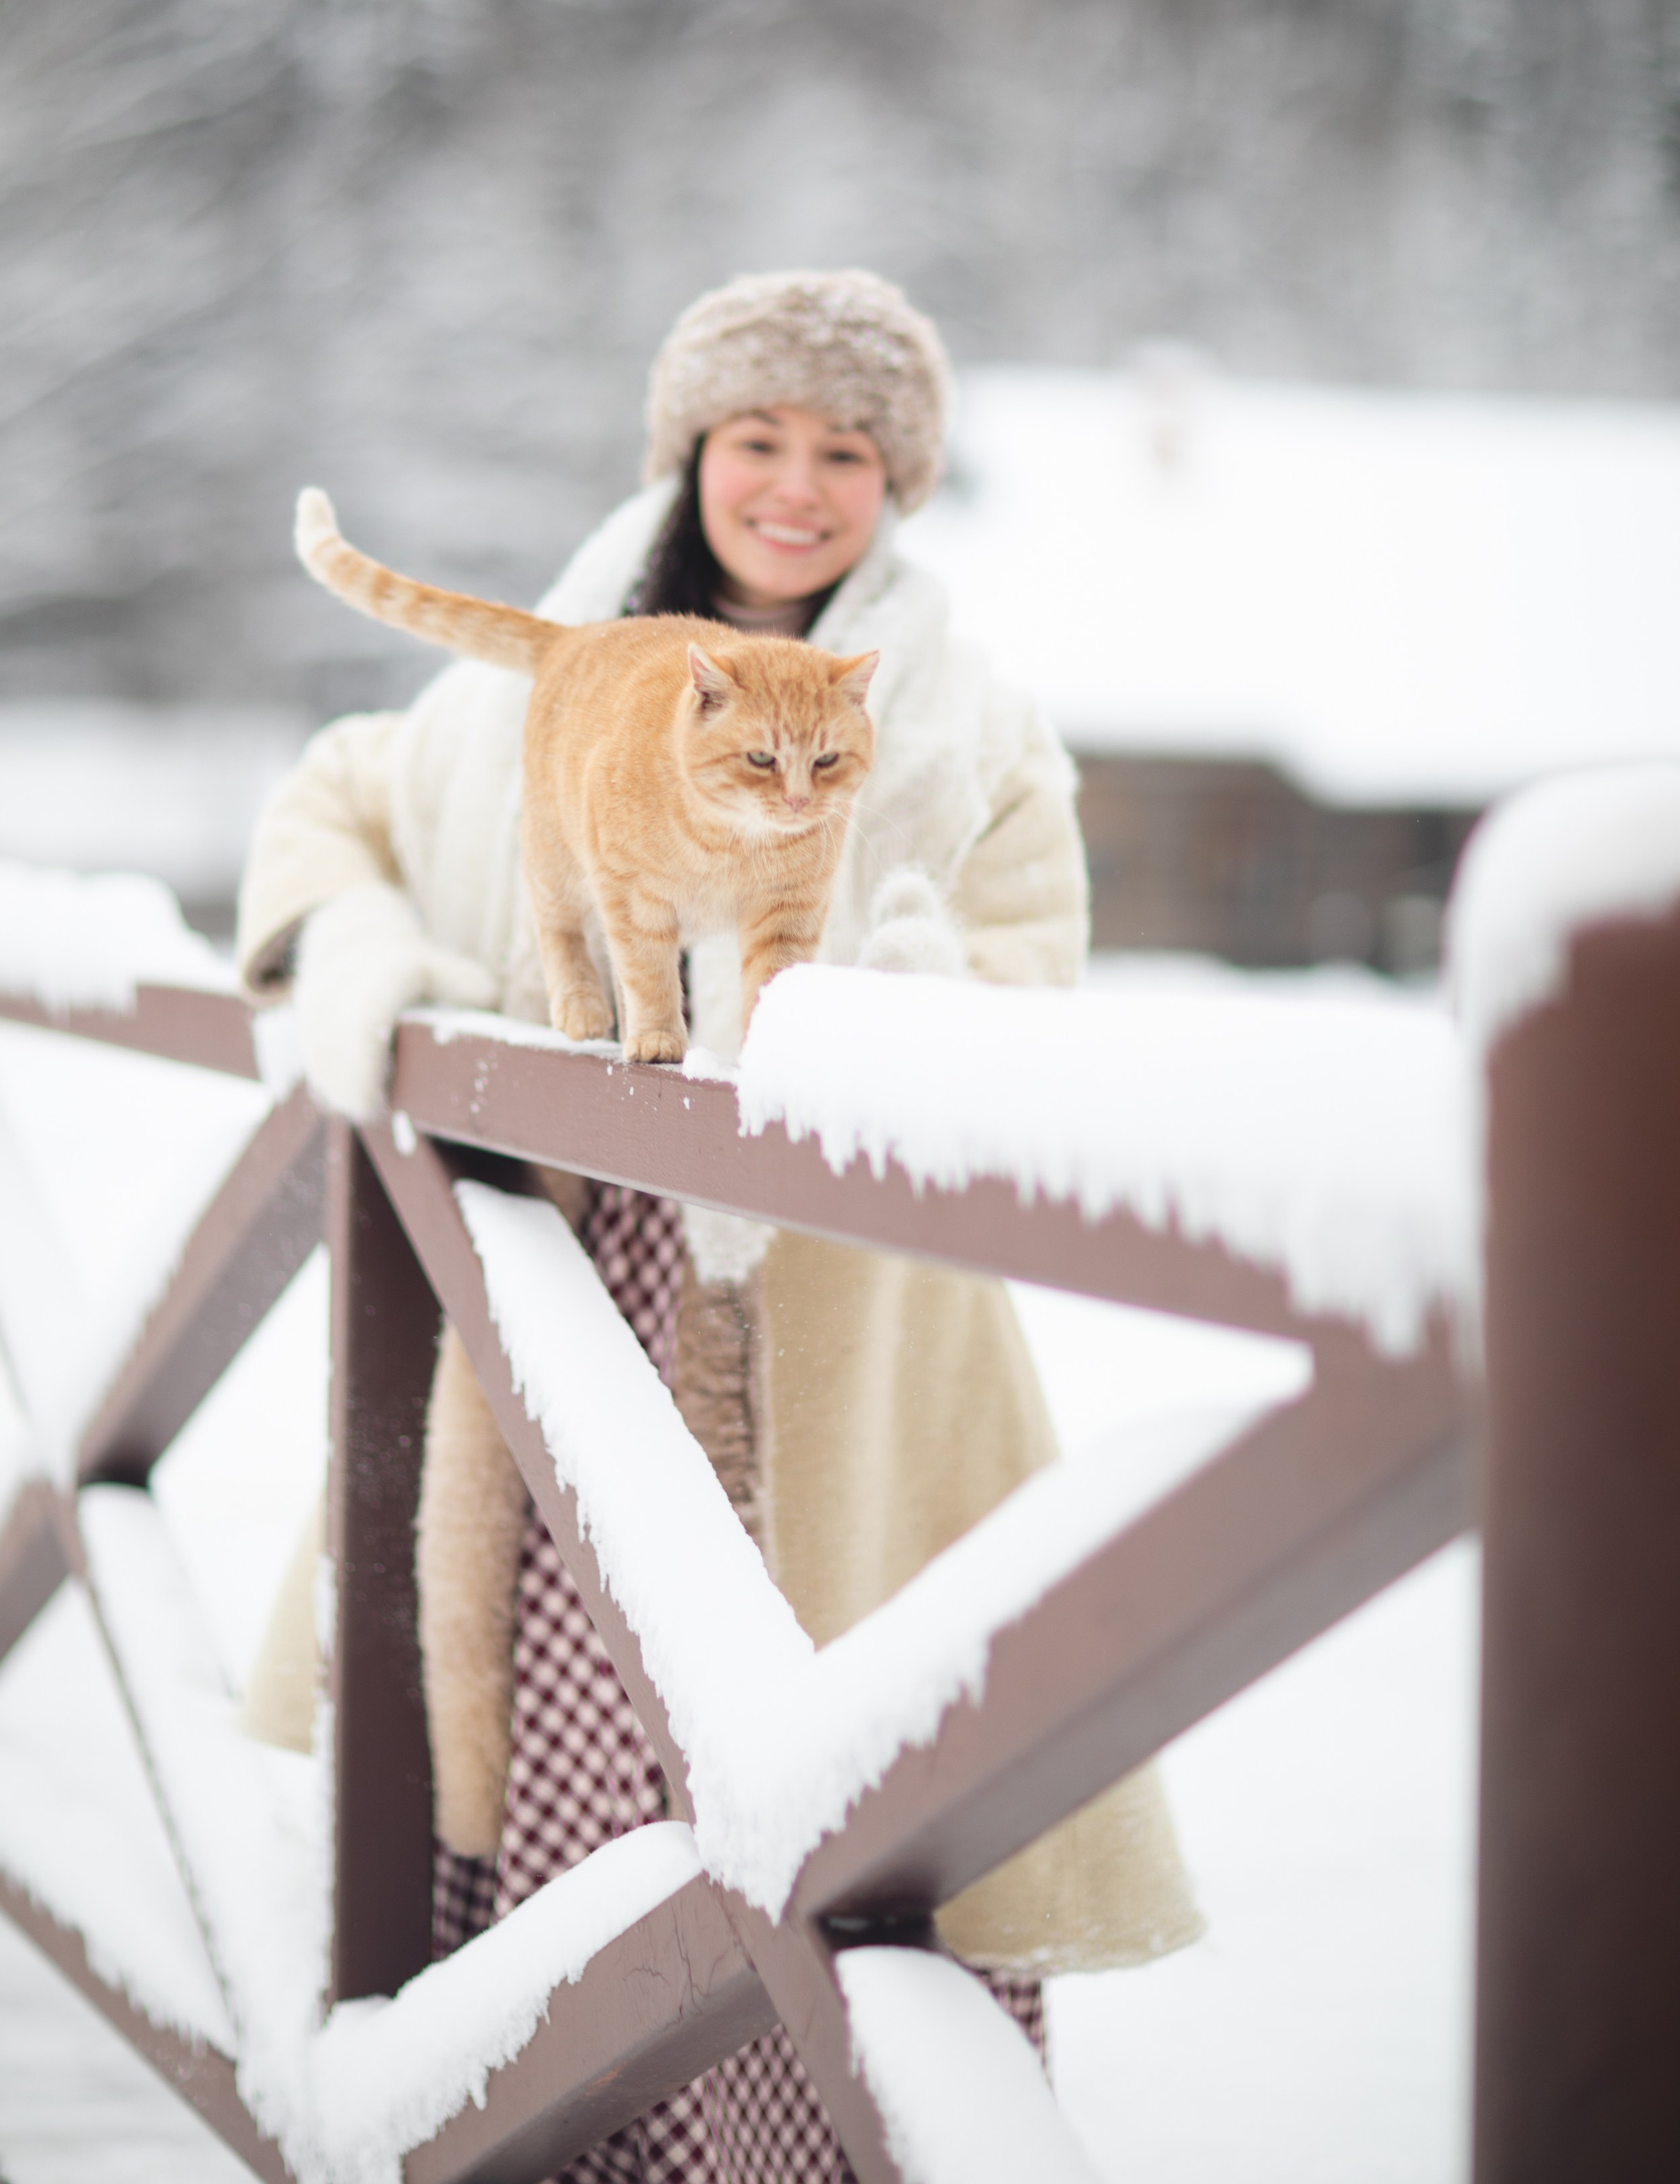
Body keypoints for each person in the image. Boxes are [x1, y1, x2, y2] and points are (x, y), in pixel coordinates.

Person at [236, 270, 1199, 2183]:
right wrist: (369, 960)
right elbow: (330, 808)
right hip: (562, 1307)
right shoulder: (547, 666)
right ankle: (563, 2133)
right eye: (759, 438)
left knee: (847, 1784)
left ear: (897, 481)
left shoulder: (968, 717)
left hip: (850, 1354)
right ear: (692, 451)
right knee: (584, 1750)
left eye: (848, 451)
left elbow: (1033, 968)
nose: (797, 485)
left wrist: (902, 998)